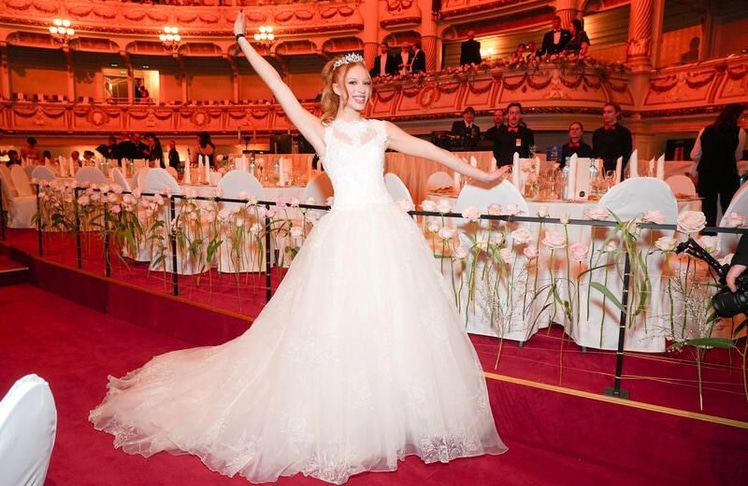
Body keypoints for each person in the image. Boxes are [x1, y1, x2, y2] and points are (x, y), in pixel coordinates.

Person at [90, 11, 509, 485]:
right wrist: (244, 42)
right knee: (336, 330)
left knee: (392, 325)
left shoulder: (381, 130)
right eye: (354, 82)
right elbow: (278, 89)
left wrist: (481, 176)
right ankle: (344, 417)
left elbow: (430, 150)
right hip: (345, 236)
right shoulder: (322, 131)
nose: (362, 90)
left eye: (367, 83)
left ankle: (392, 415)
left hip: (388, 235)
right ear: (338, 87)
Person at [690, 103, 746, 230]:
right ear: (736, 117)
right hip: (727, 172)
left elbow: (694, 154)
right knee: (730, 208)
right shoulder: (739, 132)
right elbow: (737, 155)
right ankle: (728, 238)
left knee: (707, 209)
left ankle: (707, 239)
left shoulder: (705, 130)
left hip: (707, 173)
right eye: (741, 117)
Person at [592, 102, 632, 172]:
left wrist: (618, 166)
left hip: (617, 169)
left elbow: (627, 153)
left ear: (617, 113)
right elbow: (595, 152)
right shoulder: (598, 132)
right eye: (604, 112)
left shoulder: (624, 132)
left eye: (609, 112)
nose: (606, 115)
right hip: (600, 169)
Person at [493, 102, 535, 167]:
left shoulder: (528, 133)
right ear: (507, 115)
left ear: (521, 115)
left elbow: (532, 153)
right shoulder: (499, 133)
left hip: (522, 169)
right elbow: (496, 153)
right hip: (503, 169)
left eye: (517, 113)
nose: (514, 116)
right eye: (511, 113)